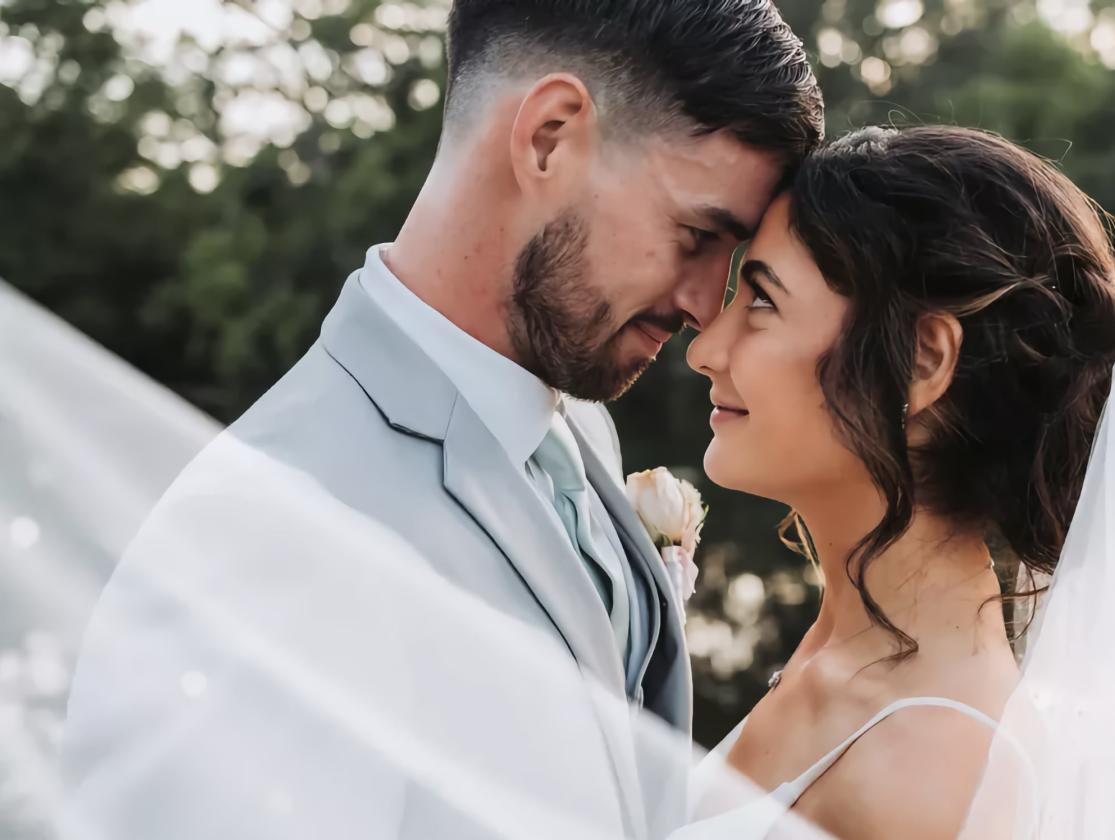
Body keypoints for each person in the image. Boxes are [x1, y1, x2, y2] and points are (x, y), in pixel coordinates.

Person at [60, 3, 823, 839]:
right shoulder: (268, 533)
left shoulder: (579, 434)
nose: (704, 305)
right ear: (549, 137)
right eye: (696, 235)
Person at [677, 125, 1115, 840]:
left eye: (763, 302)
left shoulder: (929, 769)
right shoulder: (842, 657)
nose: (706, 348)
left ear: (923, 362)